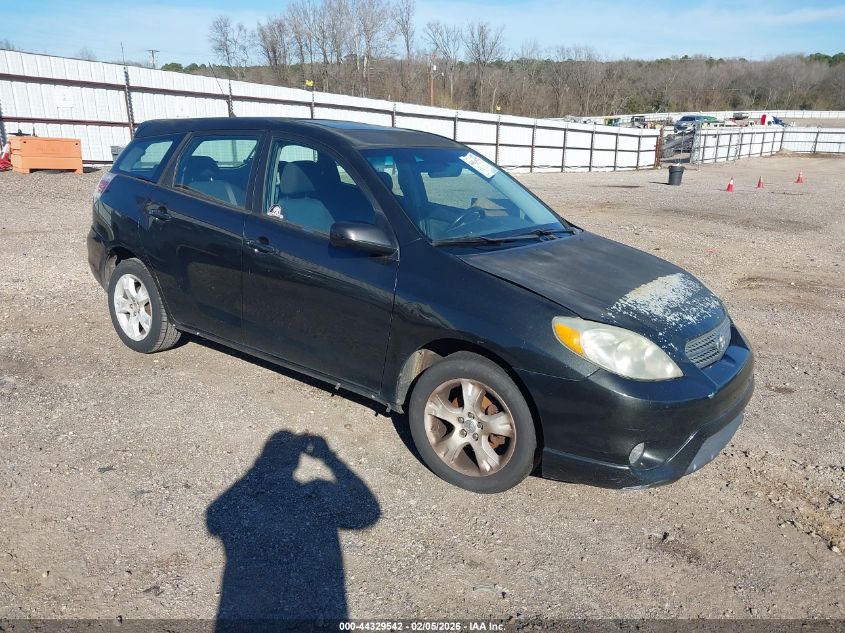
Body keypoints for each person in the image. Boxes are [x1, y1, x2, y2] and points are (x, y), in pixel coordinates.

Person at [207, 430, 380, 630]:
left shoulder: (235, 500)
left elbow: (214, 521)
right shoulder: (317, 495)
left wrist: (255, 473)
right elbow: (368, 515)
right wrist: (330, 459)